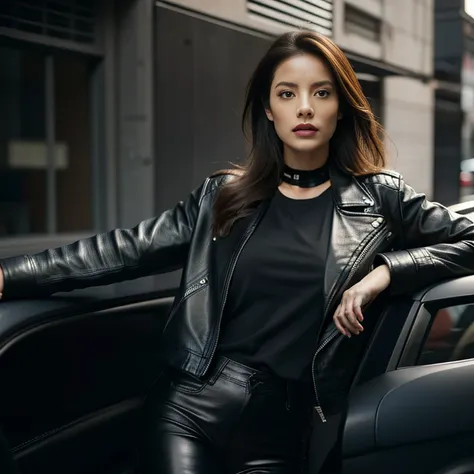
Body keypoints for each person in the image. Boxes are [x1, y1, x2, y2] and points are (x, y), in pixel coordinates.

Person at [1, 30, 474, 474]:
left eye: (321, 93)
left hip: (284, 428)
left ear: (342, 107)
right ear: (269, 109)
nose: (304, 109)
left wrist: (387, 272)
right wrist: (9, 275)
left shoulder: (380, 200)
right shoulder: (223, 196)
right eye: (287, 93)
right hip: (191, 406)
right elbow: (124, 251)